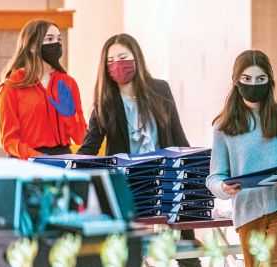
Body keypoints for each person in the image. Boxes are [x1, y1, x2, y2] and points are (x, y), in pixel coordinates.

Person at [77, 33, 201, 267]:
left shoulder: (160, 90)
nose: (117, 65)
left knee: (186, 249)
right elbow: (89, 146)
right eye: (110, 60)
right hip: (129, 183)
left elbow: (179, 136)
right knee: (129, 252)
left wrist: (195, 173)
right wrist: (68, 167)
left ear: (136, 57)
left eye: (123, 57)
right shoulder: (105, 101)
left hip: (166, 178)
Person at [206, 50, 277, 267]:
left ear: (270, 81)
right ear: (236, 82)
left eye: (261, 79)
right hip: (247, 211)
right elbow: (214, 177)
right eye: (246, 79)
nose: (253, 84)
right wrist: (223, 187)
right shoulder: (223, 127)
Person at [0, 19, 87, 160]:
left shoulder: (68, 83)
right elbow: (8, 140)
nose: (57, 43)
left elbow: (82, 138)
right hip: (26, 162)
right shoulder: (11, 86)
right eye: (49, 39)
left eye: (59, 39)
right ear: (31, 46)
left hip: (63, 160)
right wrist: (38, 157)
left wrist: (70, 117)